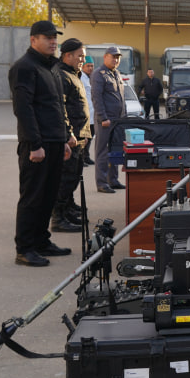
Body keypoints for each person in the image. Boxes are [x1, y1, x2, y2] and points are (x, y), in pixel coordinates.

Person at [10, 20, 76, 267]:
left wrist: (65, 138)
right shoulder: (25, 68)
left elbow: (57, 106)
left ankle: (41, 241)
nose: (53, 42)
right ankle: (24, 248)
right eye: (47, 38)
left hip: (54, 142)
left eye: (54, 38)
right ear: (33, 40)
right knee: (33, 197)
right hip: (37, 146)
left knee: (48, 196)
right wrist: (35, 144)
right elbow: (24, 109)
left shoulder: (51, 68)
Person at [52, 38, 92, 233]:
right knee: (65, 178)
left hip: (80, 135)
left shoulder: (73, 74)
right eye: (80, 56)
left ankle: (67, 210)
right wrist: (68, 134)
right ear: (67, 55)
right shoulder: (61, 75)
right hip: (71, 137)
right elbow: (61, 108)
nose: (82, 60)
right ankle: (58, 218)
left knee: (73, 176)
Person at [91, 45, 127, 193]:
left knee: (116, 151)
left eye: (118, 57)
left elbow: (121, 98)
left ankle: (112, 180)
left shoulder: (117, 73)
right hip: (106, 120)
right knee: (103, 152)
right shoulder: (99, 74)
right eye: (113, 57)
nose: (116, 59)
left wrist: (123, 118)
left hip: (118, 120)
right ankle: (101, 183)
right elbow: (97, 98)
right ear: (105, 57)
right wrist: (102, 117)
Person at [80, 60, 96, 165]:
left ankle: (86, 157)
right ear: (83, 67)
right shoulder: (81, 77)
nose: (90, 68)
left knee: (90, 137)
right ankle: (80, 159)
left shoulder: (92, 78)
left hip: (92, 113)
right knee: (83, 138)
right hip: (85, 113)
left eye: (92, 66)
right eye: (88, 66)